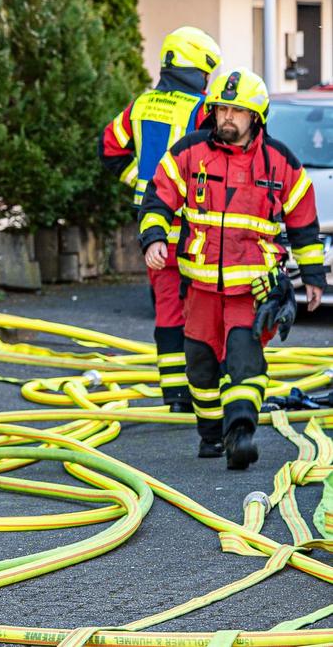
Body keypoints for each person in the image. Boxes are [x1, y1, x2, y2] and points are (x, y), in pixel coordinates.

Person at [140, 67, 326, 470]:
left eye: (235, 111)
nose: (225, 117)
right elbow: (158, 197)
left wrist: (312, 278)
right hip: (201, 288)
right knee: (200, 366)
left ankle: (241, 432)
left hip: (253, 291)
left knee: (244, 361)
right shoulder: (189, 152)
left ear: (255, 117)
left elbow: (303, 224)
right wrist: (153, 237)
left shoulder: (280, 163)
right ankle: (211, 435)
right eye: (222, 108)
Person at [101, 26, 221, 424]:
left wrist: (141, 180)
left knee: (168, 311)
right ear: (197, 69)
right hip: (193, 229)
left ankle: (175, 395)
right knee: (205, 307)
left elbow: (109, 148)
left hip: (153, 231)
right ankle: (206, 386)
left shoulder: (139, 106)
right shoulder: (202, 109)